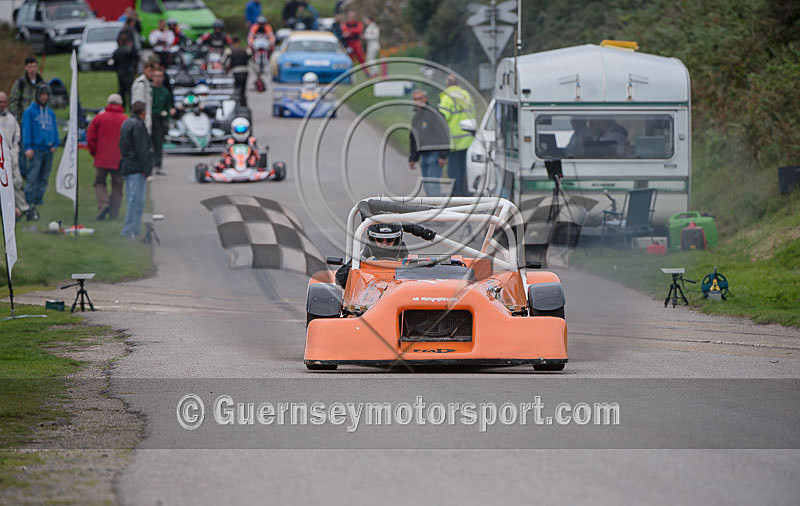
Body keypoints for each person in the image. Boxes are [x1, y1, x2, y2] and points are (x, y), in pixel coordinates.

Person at [87, 94, 127, 221]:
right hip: (119, 159)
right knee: (117, 186)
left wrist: (95, 152)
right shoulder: (125, 119)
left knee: (99, 183)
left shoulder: (99, 118)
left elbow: (90, 138)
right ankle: (114, 213)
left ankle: (104, 204)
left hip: (102, 157)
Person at [334, 222, 408, 288]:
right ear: (372, 240)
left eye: (389, 240)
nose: (384, 244)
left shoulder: (407, 262)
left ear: (397, 240)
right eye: (379, 240)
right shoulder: (361, 260)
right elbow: (341, 281)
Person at [21, 84, 59, 207]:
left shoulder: (50, 112)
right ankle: (28, 200)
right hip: (35, 149)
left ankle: (39, 198)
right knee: (33, 176)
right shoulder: (30, 112)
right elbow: (26, 130)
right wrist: (28, 147)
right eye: (42, 94)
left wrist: (55, 142)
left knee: (44, 177)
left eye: (46, 95)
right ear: (37, 95)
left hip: (48, 150)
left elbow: (54, 128)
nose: (44, 97)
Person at [119, 101, 152, 239]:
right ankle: (129, 230)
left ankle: (135, 229)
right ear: (143, 112)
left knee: (132, 199)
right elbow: (141, 149)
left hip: (127, 165)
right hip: (136, 167)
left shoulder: (126, 123)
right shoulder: (138, 125)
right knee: (136, 201)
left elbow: (121, 145)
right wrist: (147, 168)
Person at [438, 74, 475, 196]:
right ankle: (465, 193)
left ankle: (456, 195)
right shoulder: (466, 95)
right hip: (469, 138)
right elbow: (473, 113)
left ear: (447, 84)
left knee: (453, 170)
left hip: (455, 140)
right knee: (466, 169)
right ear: (458, 84)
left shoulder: (447, 98)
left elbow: (442, 117)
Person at [0, 91, 34, 221]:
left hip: (11, 156)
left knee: (17, 182)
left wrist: (13, 153)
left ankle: (23, 208)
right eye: (0, 102)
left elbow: (16, 137)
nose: (2, 104)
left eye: (3, 102)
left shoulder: (11, 118)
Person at [408, 89, 449, 197]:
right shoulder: (416, 117)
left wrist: (443, 155)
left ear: (426, 98)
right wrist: (413, 158)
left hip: (435, 155)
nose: (418, 101)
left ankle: (439, 210)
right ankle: (432, 209)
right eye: (415, 99)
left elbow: (444, 134)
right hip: (423, 156)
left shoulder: (434, 114)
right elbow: (413, 138)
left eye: (420, 98)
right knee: (426, 185)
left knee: (432, 185)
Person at [9, 57, 45, 179]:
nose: (32, 69)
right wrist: (17, 120)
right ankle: (24, 175)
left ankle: (34, 175)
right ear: (26, 68)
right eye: (30, 67)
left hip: (38, 125)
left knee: (37, 152)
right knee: (23, 151)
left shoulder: (41, 83)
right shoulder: (21, 83)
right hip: (23, 124)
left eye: (34, 66)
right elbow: (14, 102)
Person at [150, 68, 173, 176]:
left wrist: (166, 120)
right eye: (156, 76)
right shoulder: (149, 90)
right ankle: (148, 164)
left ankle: (158, 165)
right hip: (150, 118)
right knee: (148, 142)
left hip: (160, 119)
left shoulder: (165, 92)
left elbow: (167, 108)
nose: (158, 79)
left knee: (159, 143)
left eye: (160, 76)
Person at [131, 56, 160, 135]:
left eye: (153, 71)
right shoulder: (141, 84)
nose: (151, 73)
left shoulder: (148, 83)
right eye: (149, 71)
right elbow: (138, 104)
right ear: (144, 70)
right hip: (141, 121)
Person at [113, 32, 138, 109]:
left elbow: (114, 63)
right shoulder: (128, 50)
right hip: (129, 72)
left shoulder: (116, 51)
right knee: (130, 90)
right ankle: (131, 106)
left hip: (120, 72)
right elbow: (135, 57)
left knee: (121, 90)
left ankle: (122, 105)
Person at [226, 36, 251, 107]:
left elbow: (224, 62)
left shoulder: (229, 50)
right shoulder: (246, 49)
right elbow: (251, 61)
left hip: (235, 72)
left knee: (236, 89)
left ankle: (236, 105)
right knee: (243, 90)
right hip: (245, 71)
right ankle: (243, 105)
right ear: (239, 42)